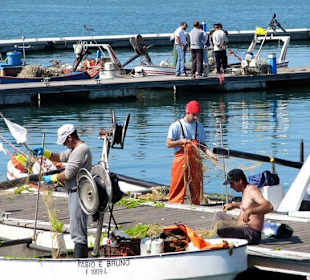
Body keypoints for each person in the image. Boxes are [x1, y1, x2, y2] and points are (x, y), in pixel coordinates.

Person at [33, 124, 92, 258]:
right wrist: (45, 153)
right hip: (73, 191)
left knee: (78, 229)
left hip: (79, 192)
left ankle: (80, 262)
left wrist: (52, 178)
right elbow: (60, 157)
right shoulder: (74, 150)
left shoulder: (81, 150)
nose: (64, 145)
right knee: (76, 226)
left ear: (70, 138)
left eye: (65, 141)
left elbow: (69, 174)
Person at [167, 100, 217, 205]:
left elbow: (202, 146)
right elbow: (169, 144)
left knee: (197, 184)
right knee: (178, 184)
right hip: (181, 158)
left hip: (196, 159)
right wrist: (181, 141)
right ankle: (175, 204)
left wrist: (211, 154)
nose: (196, 118)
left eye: (197, 115)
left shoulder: (199, 126)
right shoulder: (176, 125)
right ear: (187, 112)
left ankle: (196, 204)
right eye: (194, 115)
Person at [217, 169, 274, 245]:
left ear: (240, 181)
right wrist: (234, 205)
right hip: (242, 229)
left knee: (222, 230)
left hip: (252, 234)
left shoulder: (252, 190)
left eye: (232, 183)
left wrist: (249, 211)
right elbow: (248, 204)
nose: (231, 186)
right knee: (219, 215)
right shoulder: (245, 190)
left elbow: (269, 206)